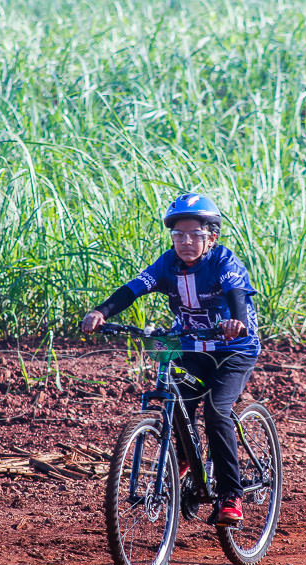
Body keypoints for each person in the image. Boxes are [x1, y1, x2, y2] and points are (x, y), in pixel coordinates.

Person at [81, 193, 260, 525]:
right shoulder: (168, 264)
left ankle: (231, 494)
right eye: (179, 235)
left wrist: (237, 322)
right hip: (192, 346)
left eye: (195, 235)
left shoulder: (224, 262)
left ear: (212, 237)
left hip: (233, 350)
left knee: (217, 411)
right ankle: (186, 459)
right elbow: (133, 288)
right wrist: (100, 312)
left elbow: (236, 293)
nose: (186, 242)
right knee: (177, 400)